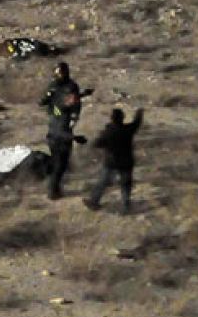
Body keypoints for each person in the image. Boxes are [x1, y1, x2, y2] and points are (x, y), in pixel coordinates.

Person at [40, 61, 85, 200]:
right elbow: (43, 102)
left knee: (59, 161)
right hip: (59, 126)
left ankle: (54, 186)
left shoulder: (67, 86)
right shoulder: (60, 87)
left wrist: (73, 118)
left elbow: (75, 105)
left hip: (58, 126)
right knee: (61, 162)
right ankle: (53, 190)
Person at [86, 108, 144, 214]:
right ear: (123, 118)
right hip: (126, 162)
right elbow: (137, 122)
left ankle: (94, 202)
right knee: (126, 184)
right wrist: (139, 113)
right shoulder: (128, 129)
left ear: (112, 119)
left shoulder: (108, 132)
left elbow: (96, 144)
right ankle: (126, 207)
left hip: (111, 162)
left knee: (103, 182)